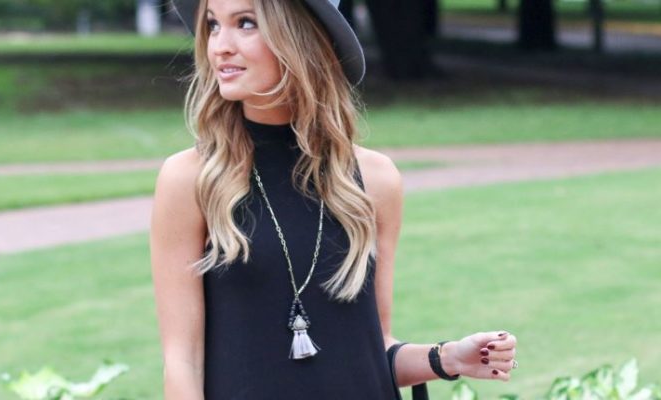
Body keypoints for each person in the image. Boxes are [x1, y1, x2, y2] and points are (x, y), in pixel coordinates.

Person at [150, 0, 518, 398]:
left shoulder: (374, 180)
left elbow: (372, 347)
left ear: (300, 36)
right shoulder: (191, 180)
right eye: (213, 25)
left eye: (246, 23)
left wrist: (447, 358)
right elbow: (183, 362)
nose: (220, 45)